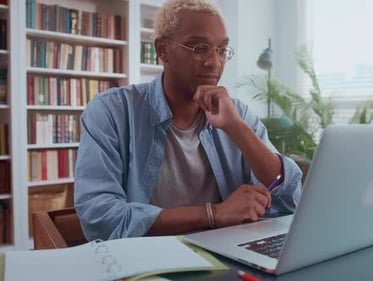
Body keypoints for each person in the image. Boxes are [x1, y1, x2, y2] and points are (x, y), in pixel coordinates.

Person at [74, 0, 303, 241]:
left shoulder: (238, 114)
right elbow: (99, 217)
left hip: (226, 254)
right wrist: (213, 214)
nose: (214, 62)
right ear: (162, 51)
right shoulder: (112, 111)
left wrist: (237, 129)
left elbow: (290, 199)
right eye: (199, 48)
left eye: (222, 50)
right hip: (145, 260)